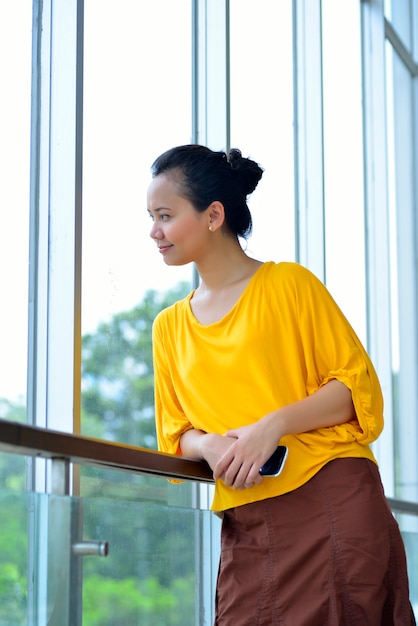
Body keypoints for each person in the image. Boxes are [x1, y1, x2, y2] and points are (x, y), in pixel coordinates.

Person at [147, 144, 415, 625]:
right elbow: (175, 431)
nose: (154, 232)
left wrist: (274, 425)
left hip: (331, 498)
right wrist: (207, 445)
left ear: (213, 215)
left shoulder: (289, 285)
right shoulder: (169, 327)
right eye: (151, 217)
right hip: (247, 521)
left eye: (165, 215)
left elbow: (355, 389)